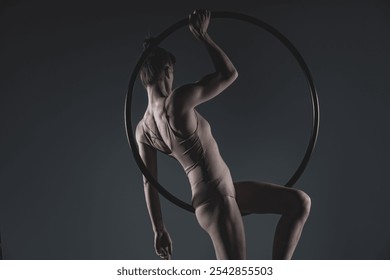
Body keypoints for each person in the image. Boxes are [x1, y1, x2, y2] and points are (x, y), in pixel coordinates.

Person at [135, 9, 311, 260]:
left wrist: (159, 229)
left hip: (220, 194)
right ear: (166, 69)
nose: (172, 79)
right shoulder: (177, 102)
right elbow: (229, 74)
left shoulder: (143, 129)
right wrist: (202, 36)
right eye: (171, 72)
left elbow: (149, 182)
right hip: (217, 199)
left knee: (298, 203)